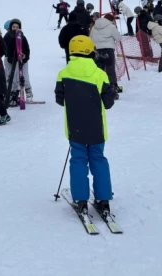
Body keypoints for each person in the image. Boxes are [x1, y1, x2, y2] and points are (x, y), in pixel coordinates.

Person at [55, 35, 117, 217]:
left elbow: (60, 100)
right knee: (98, 158)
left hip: (75, 127)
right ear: (91, 51)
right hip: (97, 127)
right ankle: (103, 200)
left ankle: (81, 200)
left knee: (78, 160)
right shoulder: (100, 74)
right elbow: (108, 103)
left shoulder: (63, 74)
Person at [90, 14, 122, 95]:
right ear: (111, 20)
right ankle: (113, 89)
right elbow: (118, 38)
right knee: (110, 70)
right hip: (108, 50)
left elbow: (90, 38)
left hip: (97, 50)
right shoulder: (111, 26)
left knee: (99, 71)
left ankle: (99, 89)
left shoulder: (94, 26)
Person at [3, 19, 32, 104]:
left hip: (22, 60)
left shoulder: (23, 37)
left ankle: (28, 92)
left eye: (17, 27)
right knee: (10, 77)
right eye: (13, 27)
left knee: (24, 76)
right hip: (10, 60)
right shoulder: (7, 36)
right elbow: (5, 47)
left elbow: (27, 49)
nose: (15, 28)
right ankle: (11, 95)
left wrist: (24, 55)